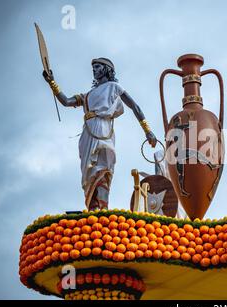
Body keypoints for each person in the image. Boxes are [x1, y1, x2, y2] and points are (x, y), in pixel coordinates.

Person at [42, 57, 157, 210]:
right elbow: (66, 101)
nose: (94, 70)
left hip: (103, 130)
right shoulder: (87, 95)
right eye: (93, 68)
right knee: (88, 173)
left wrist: (148, 131)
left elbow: (135, 107)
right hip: (87, 134)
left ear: (107, 69)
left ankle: (103, 207)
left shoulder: (114, 87)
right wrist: (52, 82)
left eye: (97, 67)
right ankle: (92, 207)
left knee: (103, 168)